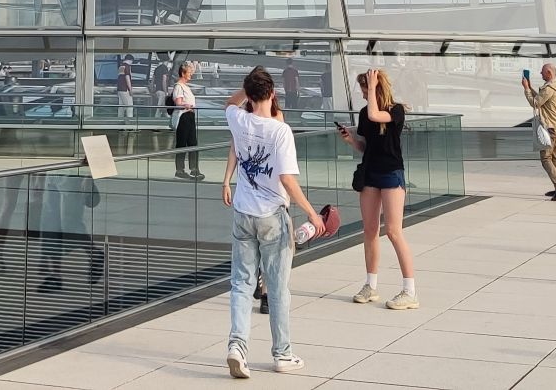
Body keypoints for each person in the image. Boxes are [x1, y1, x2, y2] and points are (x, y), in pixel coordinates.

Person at [220, 66, 317, 378]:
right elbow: (287, 179)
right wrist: (312, 213)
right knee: (277, 288)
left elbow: (228, 104)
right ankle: (282, 354)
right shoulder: (280, 131)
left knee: (241, 283)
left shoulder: (238, 118)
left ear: (249, 95)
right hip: (272, 216)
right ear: (273, 94)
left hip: (243, 212)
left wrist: (245, 89)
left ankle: (237, 346)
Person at [338, 68, 417, 309]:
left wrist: (372, 88)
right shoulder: (364, 113)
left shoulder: (396, 110)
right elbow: (368, 146)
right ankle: (370, 285)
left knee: (393, 231)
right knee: (370, 230)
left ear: (376, 88)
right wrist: (352, 141)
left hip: (391, 174)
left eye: (365, 89)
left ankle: (409, 290)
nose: (363, 94)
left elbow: (375, 114)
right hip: (370, 173)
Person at [523, 62, 556, 200]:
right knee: (555, 157)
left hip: (550, 128)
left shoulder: (548, 89)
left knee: (545, 158)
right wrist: (530, 87)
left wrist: (526, 89)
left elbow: (536, 103)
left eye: (542, 72)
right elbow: (541, 99)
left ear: (549, 72)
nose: (541, 74)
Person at [172, 60, 202, 180]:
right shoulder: (178, 86)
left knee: (193, 142)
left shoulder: (185, 86)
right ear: (183, 73)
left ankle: (194, 169)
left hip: (190, 115)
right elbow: (178, 103)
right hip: (184, 116)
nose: (191, 75)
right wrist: (187, 106)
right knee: (182, 143)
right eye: (189, 72)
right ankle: (180, 170)